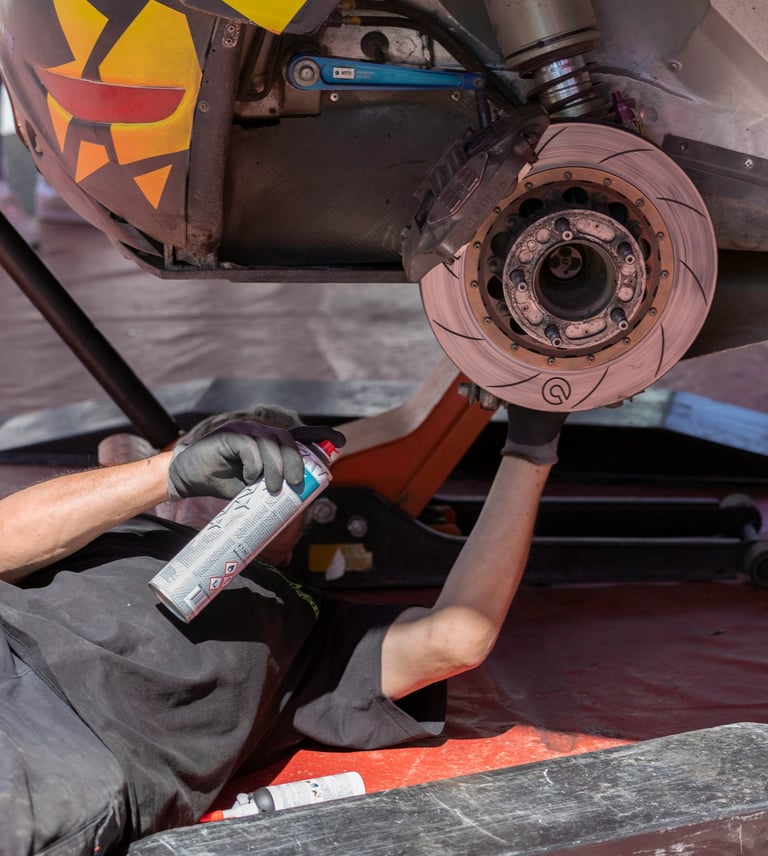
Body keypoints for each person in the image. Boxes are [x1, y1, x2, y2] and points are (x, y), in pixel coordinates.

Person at [0, 401, 565, 855]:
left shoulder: (311, 625)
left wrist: (528, 451)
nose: (253, 480)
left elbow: (458, 636)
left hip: (68, 743)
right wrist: (166, 472)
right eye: (232, 456)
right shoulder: (102, 526)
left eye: (287, 477)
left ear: (299, 529)